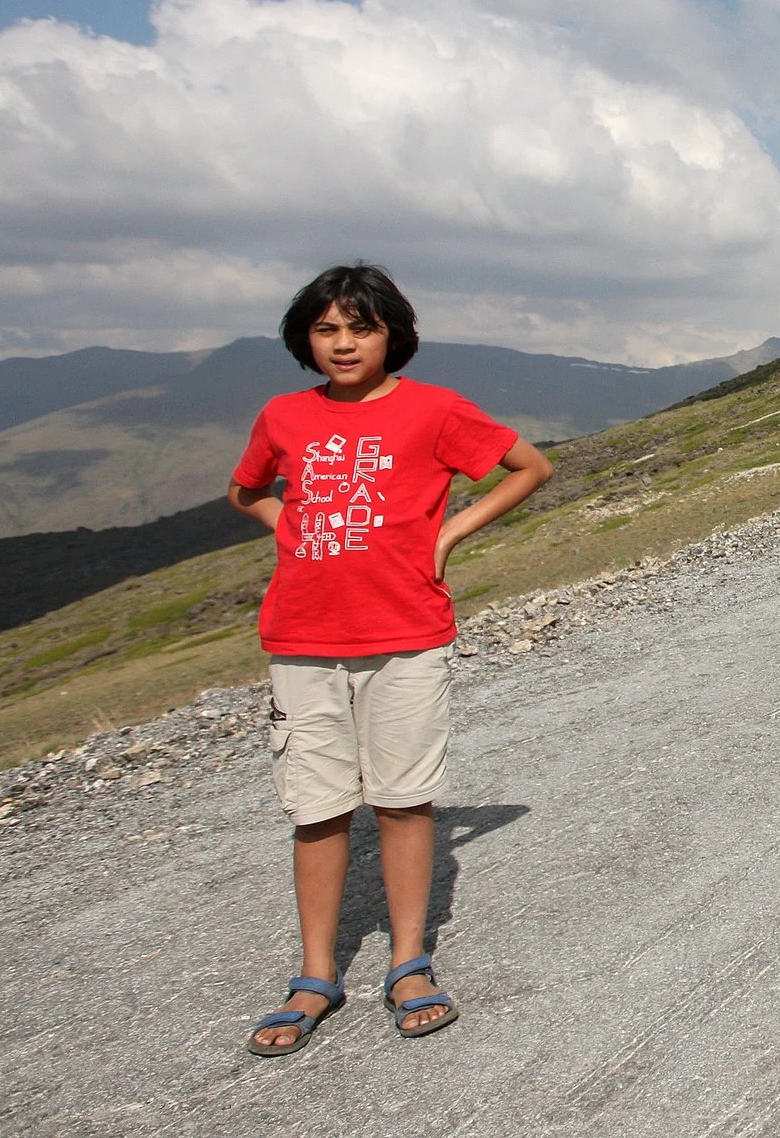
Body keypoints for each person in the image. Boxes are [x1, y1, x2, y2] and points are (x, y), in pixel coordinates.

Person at [227, 263, 553, 1055]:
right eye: (327, 329)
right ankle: (315, 975)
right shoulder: (283, 414)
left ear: (391, 334)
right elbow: (245, 490)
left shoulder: (433, 409)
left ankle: (409, 962)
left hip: (407, 634)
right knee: (317, 808)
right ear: (305, 337)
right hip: (301, 639)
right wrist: (286, 526)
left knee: (404, 801)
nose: (343, 343)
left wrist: (447, 533)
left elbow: (529, 467)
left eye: (361, 327)